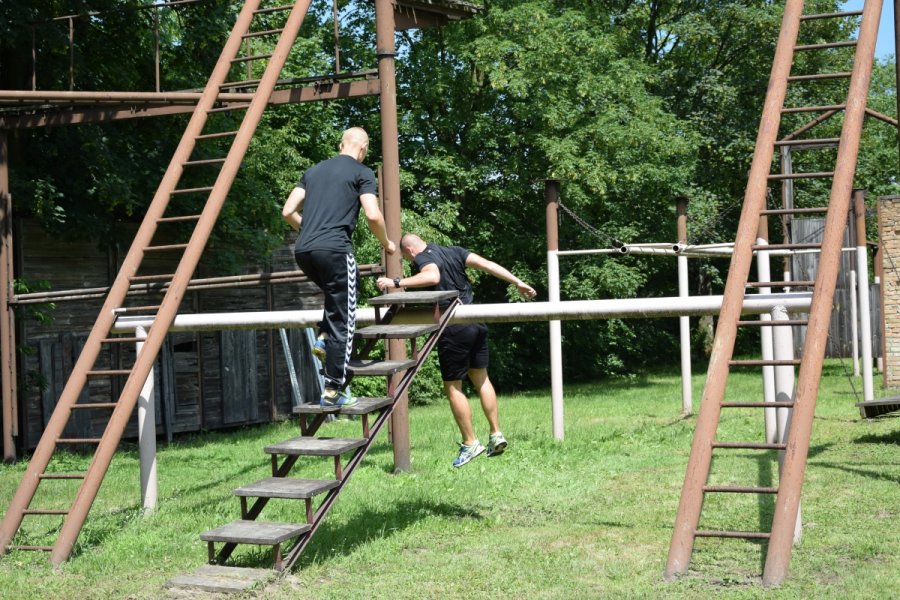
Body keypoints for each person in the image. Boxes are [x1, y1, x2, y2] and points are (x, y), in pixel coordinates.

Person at [377, 233, 536, 467]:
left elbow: (432, 275)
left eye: (408, 259)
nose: (412, 262)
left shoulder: (422, 258)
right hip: (475, 320)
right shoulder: (455, 251)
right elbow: (487, 264)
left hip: (453, 327)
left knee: (453, 386)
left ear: (410, 251)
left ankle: (470, 442)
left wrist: (397, 283)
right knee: (482, 379)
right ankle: (496, 433)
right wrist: (517, 282)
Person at [282, 127, 395, 408]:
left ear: (340, 145)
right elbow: (373, 214)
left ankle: (322, 337)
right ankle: (333, 391)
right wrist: (387, 243)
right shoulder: (362, 172)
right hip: (334, 250)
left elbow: (287, 211)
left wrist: (310, 231)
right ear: (363, 149)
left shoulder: (313, 171)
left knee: (338, 297)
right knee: (345, 318)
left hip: (304, 251)